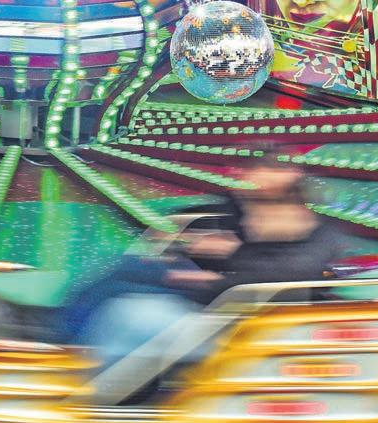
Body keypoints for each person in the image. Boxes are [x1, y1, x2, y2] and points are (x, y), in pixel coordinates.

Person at [71, 158, 342, 369]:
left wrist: (213, 279)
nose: (250, 221)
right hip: (228, 294)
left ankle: (82, 357)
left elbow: (276, 275)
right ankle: (73, 343)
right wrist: (194, 243)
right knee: (130, 270)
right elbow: (254, 255)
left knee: (126, 303)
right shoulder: (267, 217)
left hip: (235, 306)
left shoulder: (315, 237)